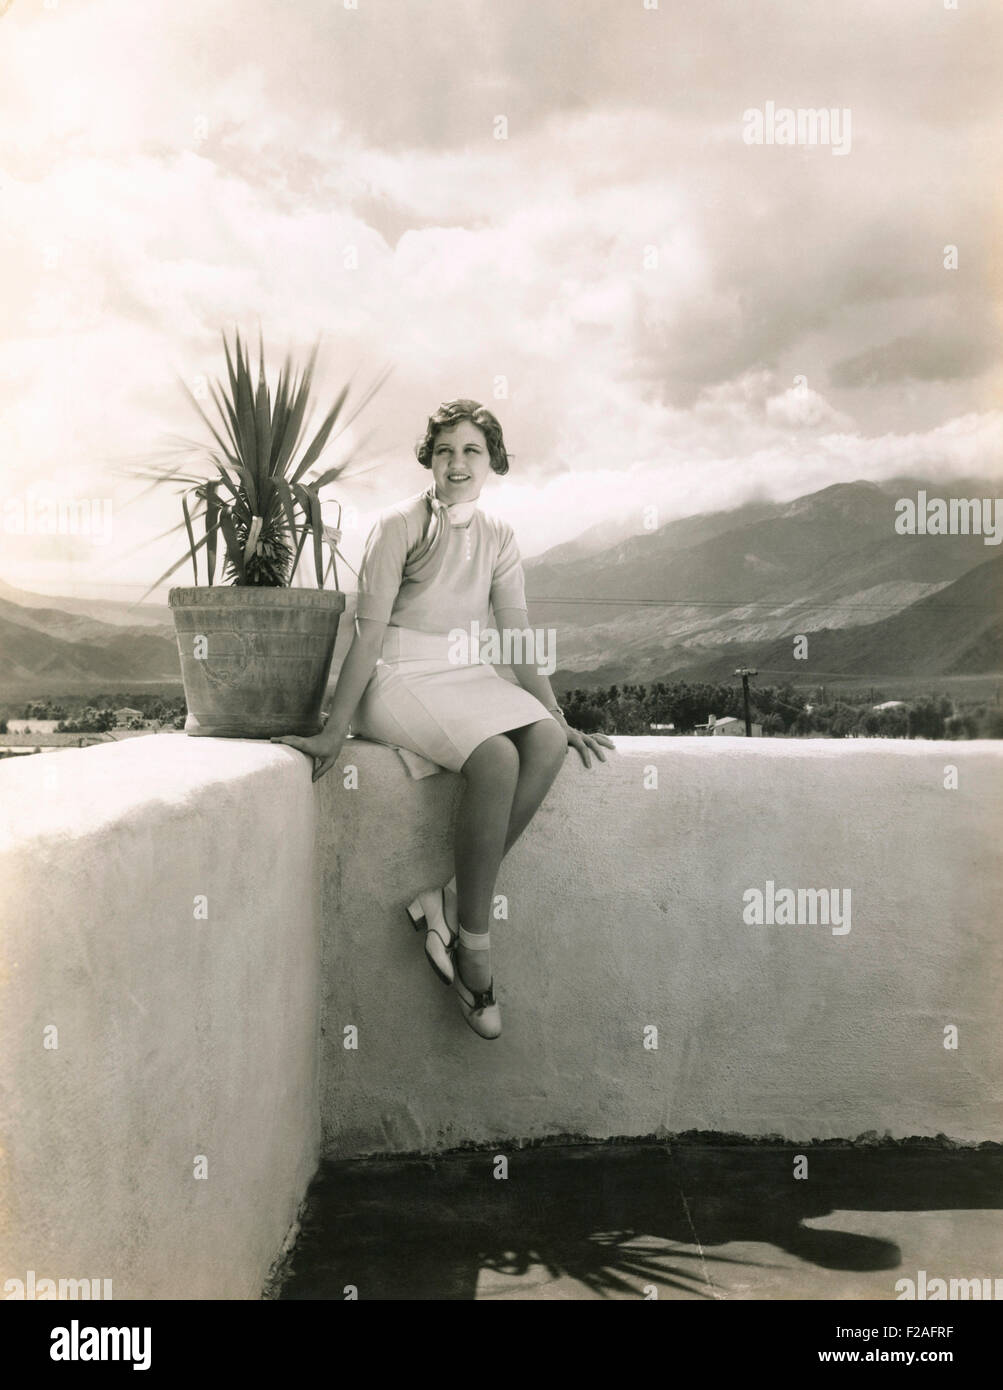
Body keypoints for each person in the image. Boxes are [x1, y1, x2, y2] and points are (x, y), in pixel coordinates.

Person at [272, 400, 614, 1039]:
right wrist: (332, 731)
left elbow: (516, 638)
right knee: (497, 757)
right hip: (396, 676)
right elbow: (365, 638)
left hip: (466, 676)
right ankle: (475, 946)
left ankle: (448, 901)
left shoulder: (501, 537)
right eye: (446, 450)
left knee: (542, 742)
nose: (458, 463)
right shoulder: (397, 526)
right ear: (429, 458)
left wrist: (557, 713)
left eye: (472, 451)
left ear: (494, 462)